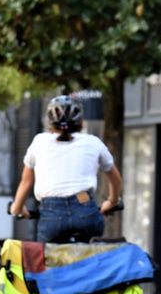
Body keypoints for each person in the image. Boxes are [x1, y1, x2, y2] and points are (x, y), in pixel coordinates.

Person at [10, 94, 122, 244]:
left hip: (51, 215)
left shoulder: (39, 142)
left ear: (49, 123)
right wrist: (112, 202)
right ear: (81, 122)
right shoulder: (93, 142)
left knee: (47, 255)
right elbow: (115, 179)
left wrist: (17, 208)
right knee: (92, 252)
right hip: (85, 210)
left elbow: (26, 182)